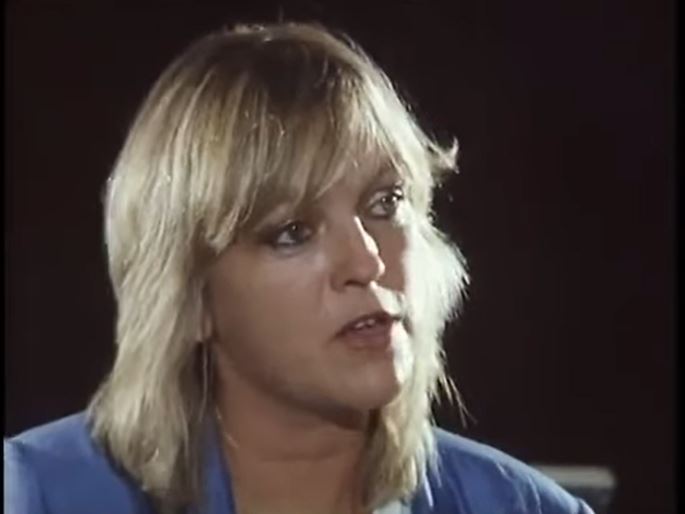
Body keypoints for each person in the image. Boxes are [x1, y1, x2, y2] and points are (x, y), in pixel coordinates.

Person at [4, 22, 594, 514]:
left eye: (386, 203)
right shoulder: (39, 495)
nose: (367, 261)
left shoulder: (523, 507)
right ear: (191, 299)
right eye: (292, 232)